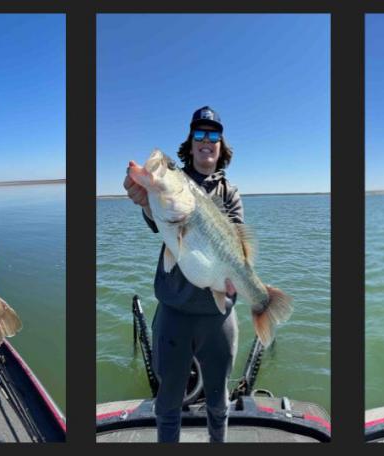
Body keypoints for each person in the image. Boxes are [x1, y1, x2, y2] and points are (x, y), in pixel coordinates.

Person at [123, 106, 242, 443]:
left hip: (218, 315)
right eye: (199, 133)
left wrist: (239, 280)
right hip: (174, 313)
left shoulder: (230, 194)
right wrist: (145, 200)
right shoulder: (172, 187)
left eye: (213, 134)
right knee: (167, 404)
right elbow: (158, 217)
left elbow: (238, 243)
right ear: (190, 143)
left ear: (221, 144)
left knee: (219, 402)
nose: (206, 140)